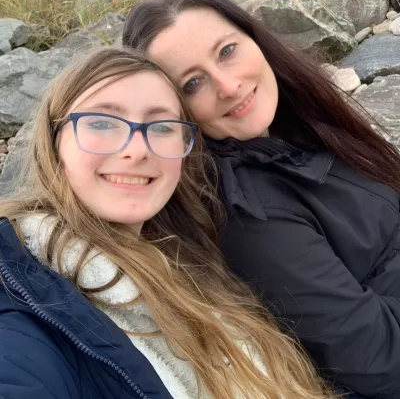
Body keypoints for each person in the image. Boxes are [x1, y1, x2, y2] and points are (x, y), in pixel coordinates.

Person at [0, 47, 335, 399]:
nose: (137, 149)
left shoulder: (196, 260)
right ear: (55, 142)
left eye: (161, 126)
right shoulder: (22, 303)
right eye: (101, 122)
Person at [122, 0, 400, 399]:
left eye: (227, 51)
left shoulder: (295, 124)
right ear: (173, 112)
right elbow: (380, 361)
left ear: (254, 37)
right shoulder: (252, 216)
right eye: (193, 83)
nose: (229, 86)